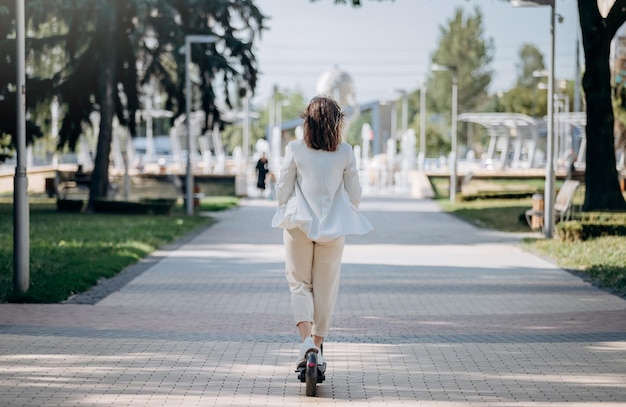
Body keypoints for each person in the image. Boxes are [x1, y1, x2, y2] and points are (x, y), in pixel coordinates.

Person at [271, 96, 373, 370]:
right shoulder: (345, 152)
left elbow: (283, 187)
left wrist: (284, 205)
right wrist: (345, 208)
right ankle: (318, 345)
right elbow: (355, 194)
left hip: (298, 225)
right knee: (326, 289)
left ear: (308, 121)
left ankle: (307, 343)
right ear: (336, 123)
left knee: (300, 284)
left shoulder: (295, 149)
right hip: (333, 230)